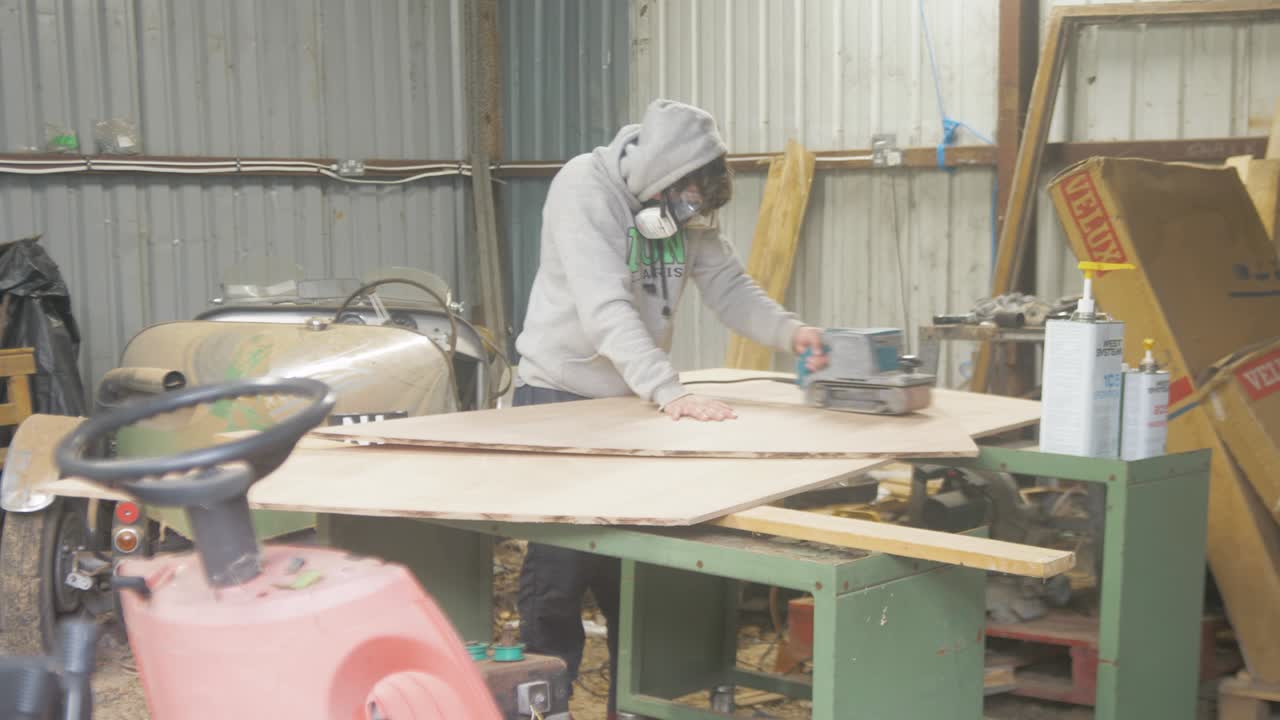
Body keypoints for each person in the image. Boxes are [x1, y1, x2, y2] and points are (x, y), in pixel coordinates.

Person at [512, 98, 828, 717]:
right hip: (559, 397)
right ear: (663, 175)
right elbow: (604, 308)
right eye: (685, 203)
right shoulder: (586, 188)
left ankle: (633, 704)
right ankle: (542, 708)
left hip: (629, 403)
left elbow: (731, 289)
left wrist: (795, 334)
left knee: (633, 572)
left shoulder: (683, 211)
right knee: (559, 571)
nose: (689, 218)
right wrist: (670, 390)